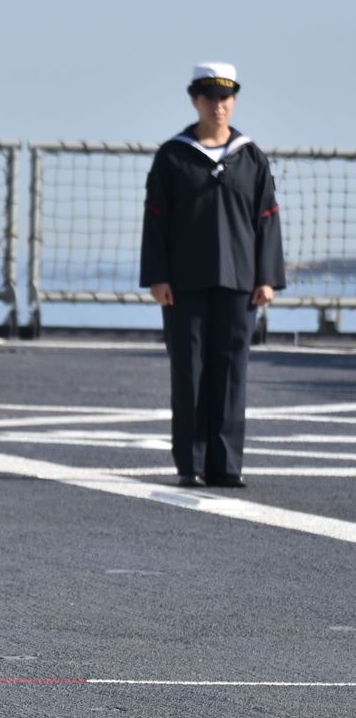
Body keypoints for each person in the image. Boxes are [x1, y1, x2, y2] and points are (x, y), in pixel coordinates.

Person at [140, 62, 285, 489]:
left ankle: (225, 465)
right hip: (184, 284)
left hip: (240, 283)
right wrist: (157, 276)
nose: (217, 106)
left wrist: (267, 277)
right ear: (194, 100)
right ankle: (190, 461)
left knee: (232, 371)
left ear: (234, 101)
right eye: (208, 98)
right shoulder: (173, 155)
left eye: (224, 98)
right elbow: (156, 219)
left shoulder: (251, 156)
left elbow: (268, 218)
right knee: (188, 371)